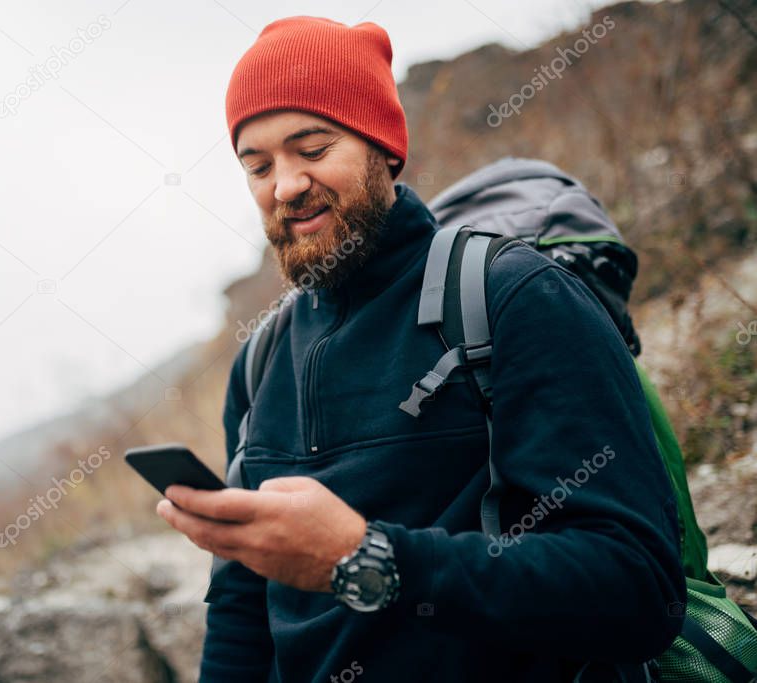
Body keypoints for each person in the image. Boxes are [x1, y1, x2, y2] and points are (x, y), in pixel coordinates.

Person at [155, 15, 686, 682]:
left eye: (312, 149)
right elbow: (240, 610)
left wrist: (370, 558)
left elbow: (637, 585)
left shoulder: (512, 297)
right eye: (256, 165)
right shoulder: (258, 363)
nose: (284, 186)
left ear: (384, 148)